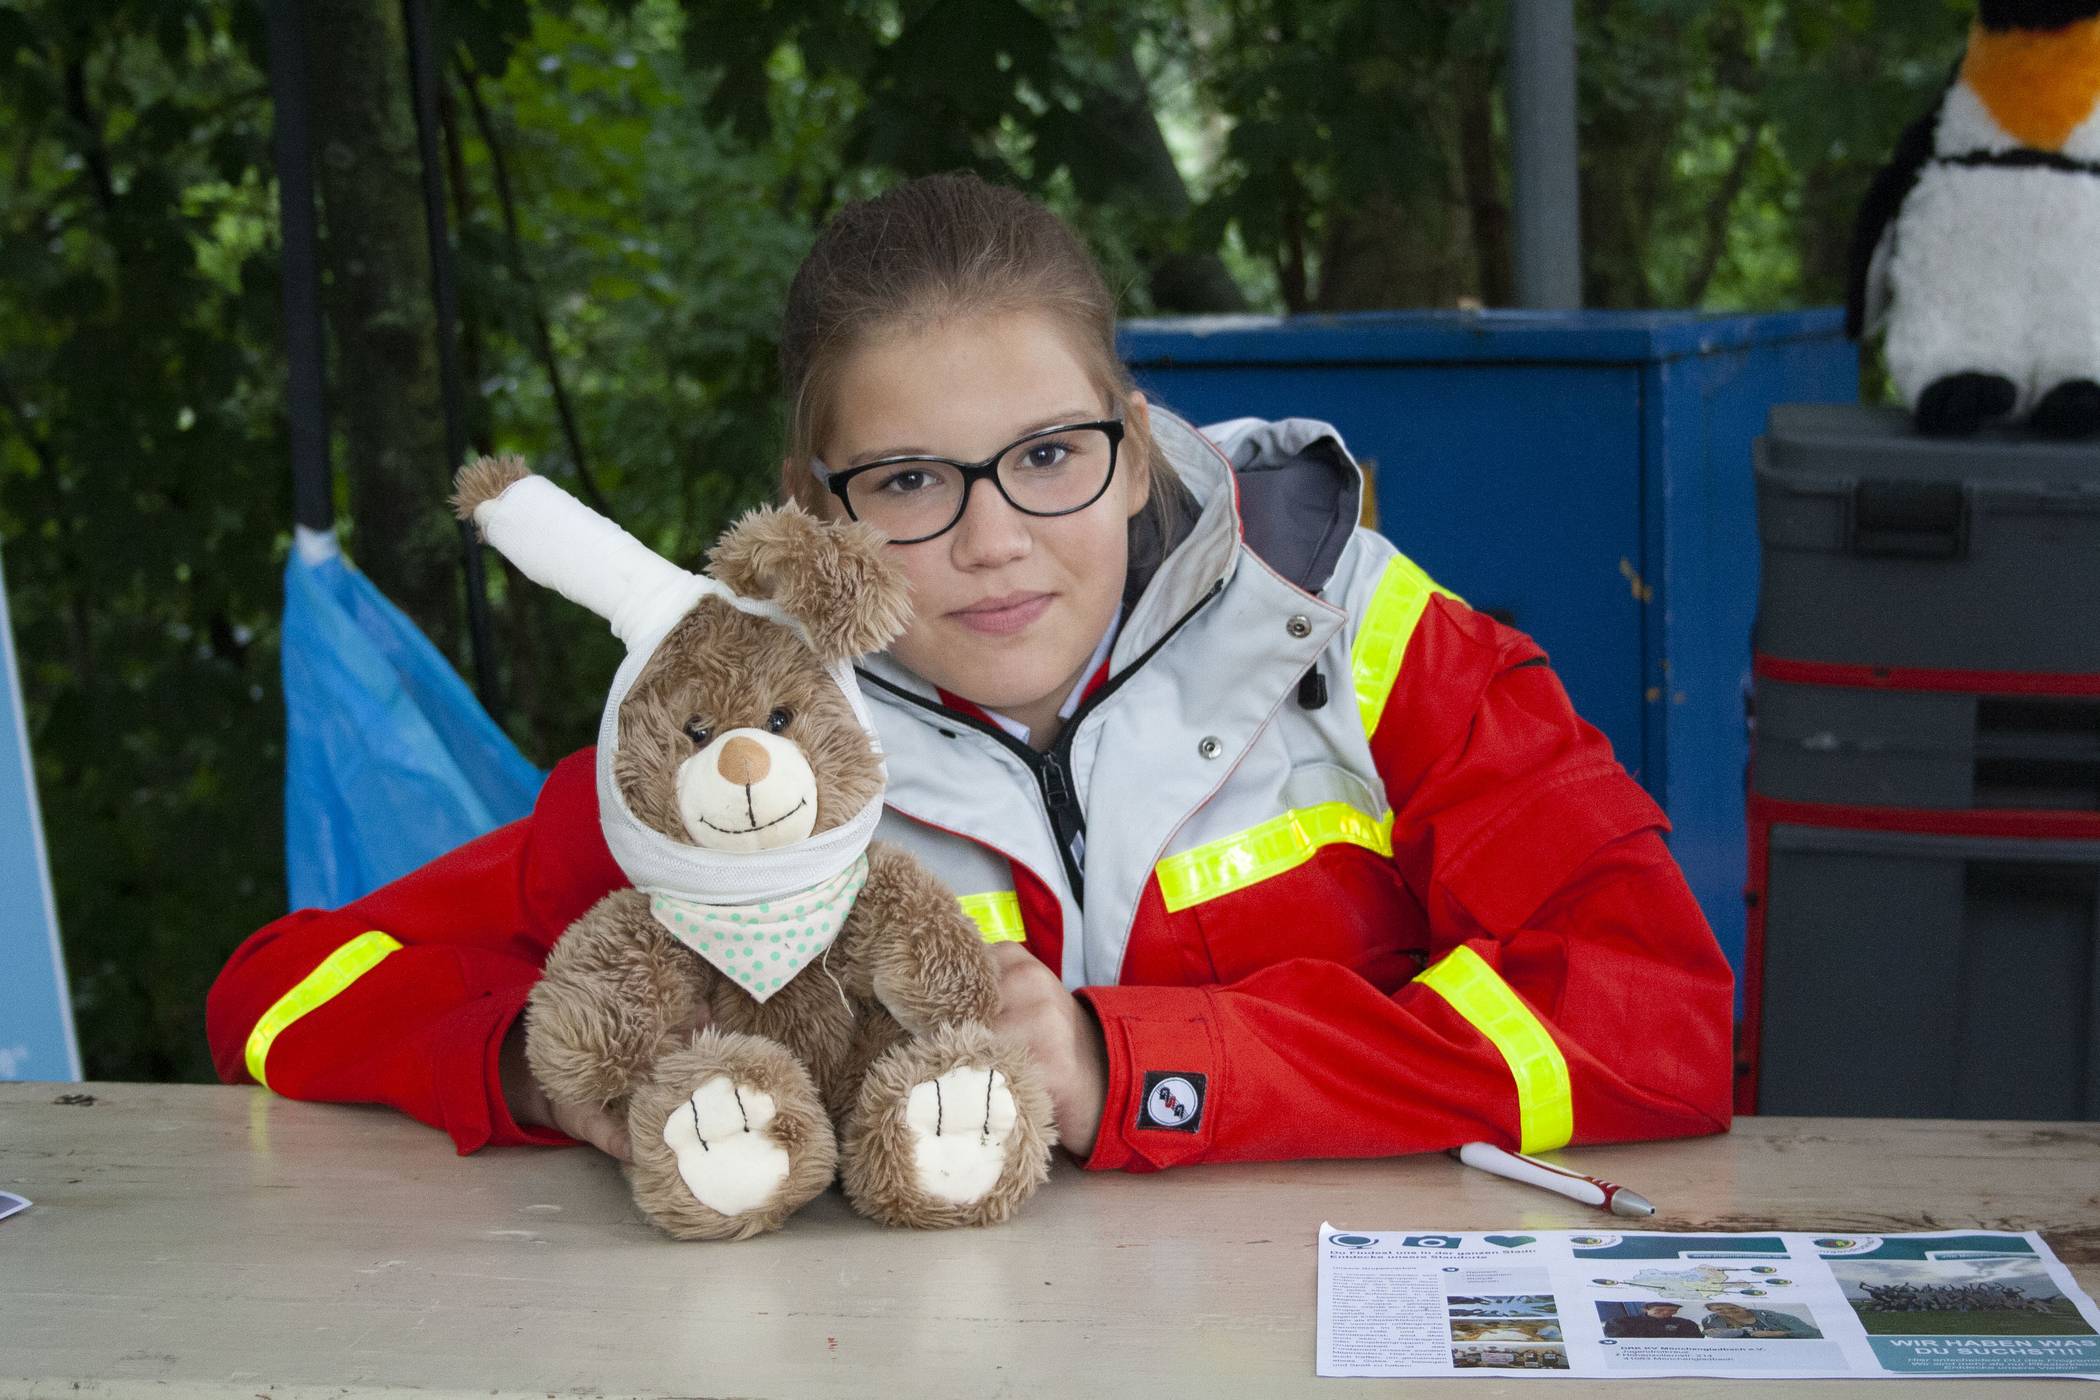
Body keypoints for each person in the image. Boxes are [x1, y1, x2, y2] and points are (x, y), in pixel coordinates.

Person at [206, 171, 1735, 1172]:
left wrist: (1139, 1064)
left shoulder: (1372, 644)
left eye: (1050, 457)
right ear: (816, 514)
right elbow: (275, 995)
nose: (996, 541)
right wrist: (544, 1080)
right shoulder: (737, 745)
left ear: (1136, 453)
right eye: (911, 483)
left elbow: (1661, 1025)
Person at [1699, 1302, 1822, 1339]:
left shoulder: (1774, 1316)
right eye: (1719, 1310)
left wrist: (1781, 1333)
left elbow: (1815, 1333)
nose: (1727, 1311)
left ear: (1743, 1305)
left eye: (1732, 1307)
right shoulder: (1710, 1321)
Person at [1603, 1303, 1703, 1339]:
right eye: (1659, 1310)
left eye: (1673, 1310)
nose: (1666, 1313)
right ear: (1645, 1309)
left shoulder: (1686, 1323)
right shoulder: (1622, 1322)